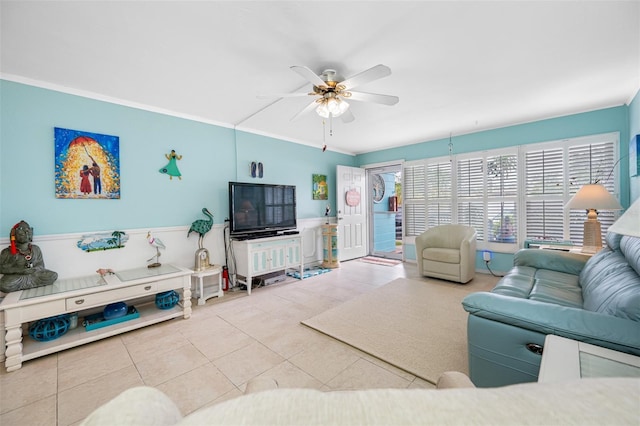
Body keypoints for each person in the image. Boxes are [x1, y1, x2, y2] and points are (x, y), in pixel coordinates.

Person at [0, 221, 58, 293]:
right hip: (18, 277)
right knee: (3, 285)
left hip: (34, 275)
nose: (26, 234)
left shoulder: (36, 249)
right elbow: (1, 269)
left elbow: (41, 266)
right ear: (14, 235)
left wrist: (33, 269)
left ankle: (29, 283)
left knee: (53, 275)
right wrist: (19, 270)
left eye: (28, 232)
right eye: (22, 233)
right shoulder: (7, 251)